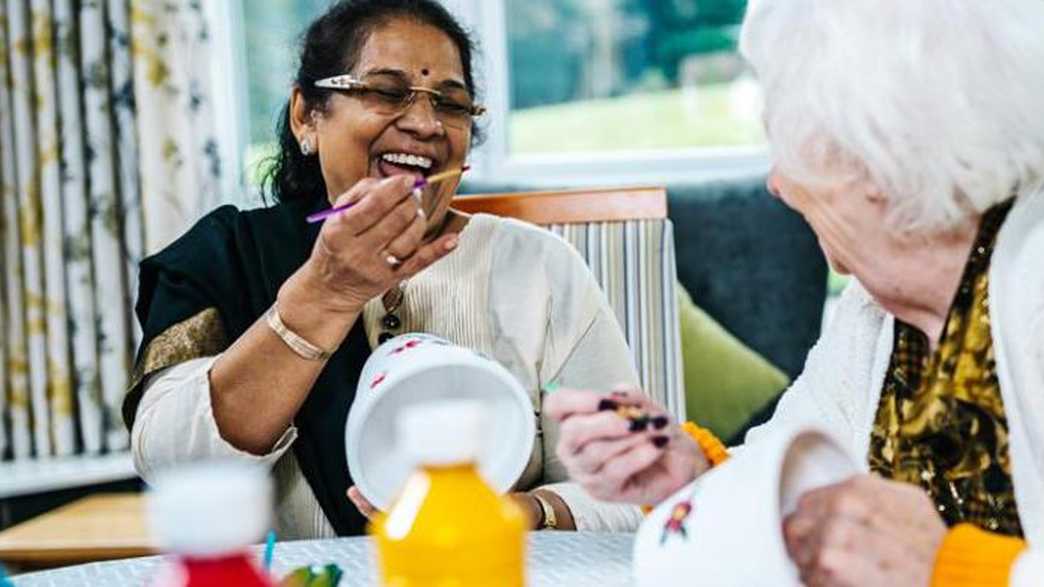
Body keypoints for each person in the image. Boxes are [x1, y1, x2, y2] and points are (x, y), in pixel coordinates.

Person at [546, 1, 1044, 584]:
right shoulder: (877, 316)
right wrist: (687, 478)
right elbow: (793, 479)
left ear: (884, 158)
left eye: (791, 146)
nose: (777, 186)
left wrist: (955, 569)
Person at [124, 0, 646, 539]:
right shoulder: (230, 255)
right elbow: (171, 467)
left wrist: (529, 512)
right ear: (307, 115)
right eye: (385, 91)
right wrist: (324, 296)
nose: (424, 123)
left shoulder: (539, 268)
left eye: (452, 103)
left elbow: (633, 488)